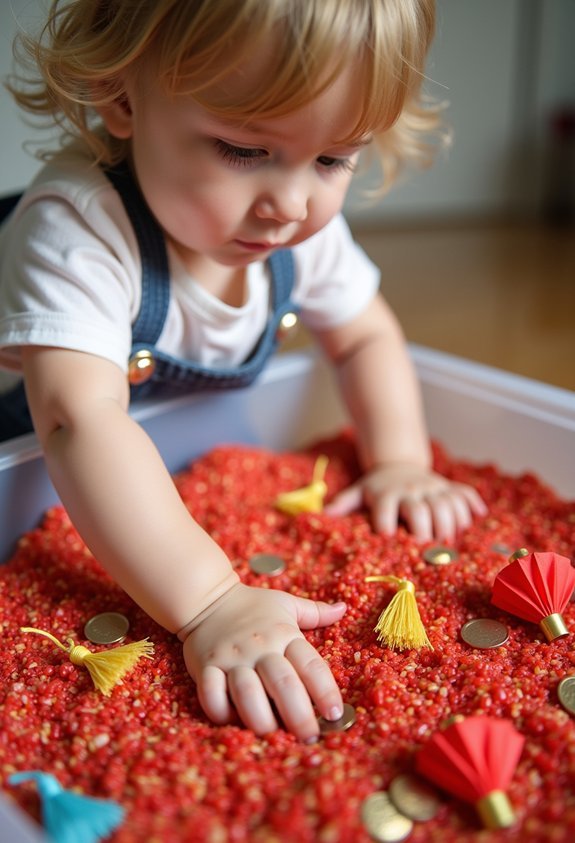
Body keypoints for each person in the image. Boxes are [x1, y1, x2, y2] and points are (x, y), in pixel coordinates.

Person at [0, 0, 486, 742]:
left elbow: (364, 339)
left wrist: (398, 461)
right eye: (242, 150)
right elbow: (78, 421)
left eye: (332, 159)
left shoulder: (298, 233)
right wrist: (209, 601)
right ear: (123, 98)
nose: (289, 204)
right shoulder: (79, 226)